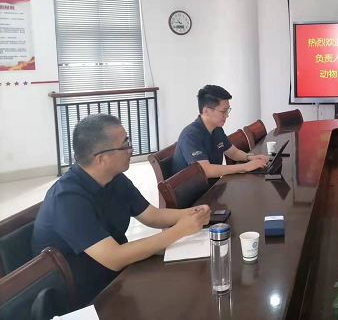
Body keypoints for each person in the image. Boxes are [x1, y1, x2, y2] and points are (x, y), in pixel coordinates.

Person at [31, 114, 211, 306]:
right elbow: (114, 257)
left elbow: (152, 215)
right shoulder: (67, 199)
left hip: (115, 275)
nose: (131, 150)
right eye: (125, 146)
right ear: (101, 159)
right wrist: (179, 231)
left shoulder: (114, 178)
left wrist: (192, 213)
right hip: (86, 295)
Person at [170, 85, 269, 178]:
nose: (227, 115)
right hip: (197, 190)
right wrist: (245, 167)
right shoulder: (190, 135)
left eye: (228, 110)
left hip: (213, 185)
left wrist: (250, 157)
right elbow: (206, 170)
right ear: (206, 111)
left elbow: (233, 152)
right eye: (223, 111)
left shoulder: (217, 129)